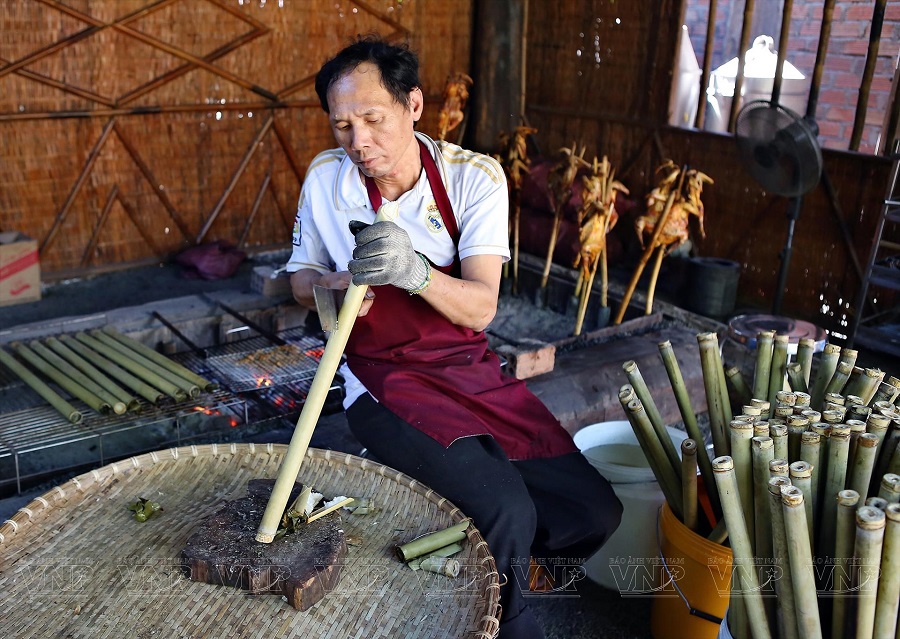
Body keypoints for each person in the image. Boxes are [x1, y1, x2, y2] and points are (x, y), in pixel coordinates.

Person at [287, 35, 622, 639]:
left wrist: (414, 272)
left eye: (373, 119)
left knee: (593, 509)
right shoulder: (325, 180)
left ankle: (490, 577)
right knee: (504, 508)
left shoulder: (474, 180)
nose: (358, 142)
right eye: (342, 126)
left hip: (465, 367)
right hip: (378, 379)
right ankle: (501, 623)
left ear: (413, 105)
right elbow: (296, 279)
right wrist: (334, 286)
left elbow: (481, 309)